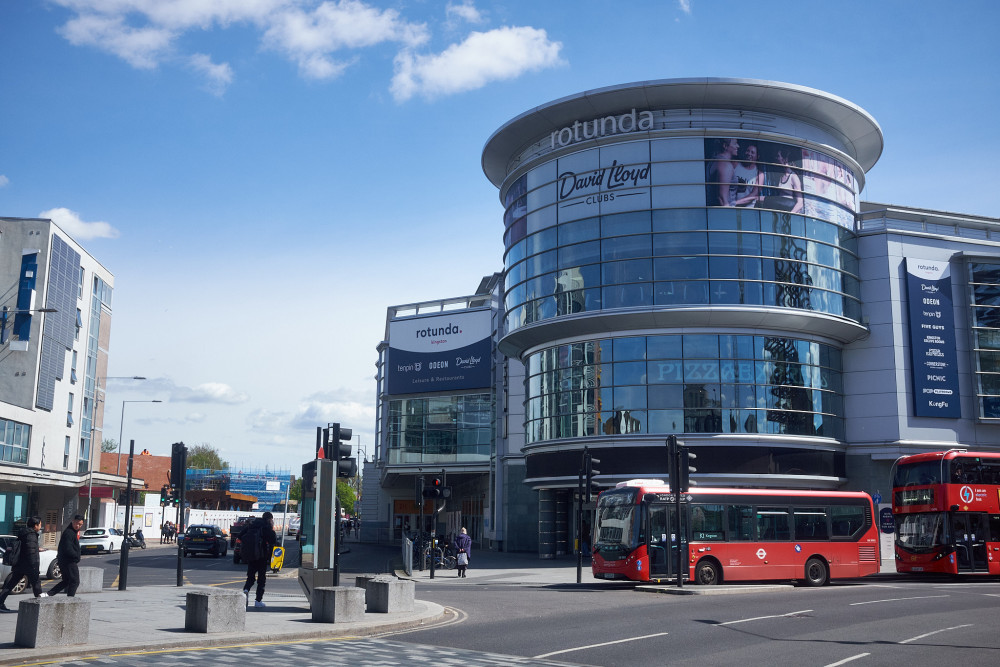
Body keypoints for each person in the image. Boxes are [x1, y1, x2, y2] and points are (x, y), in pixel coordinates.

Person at [0, 517, 45, 611]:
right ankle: (42, 606)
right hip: (29, 565)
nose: (40, 526)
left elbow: (26, 548)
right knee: (36, 584)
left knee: (10, 584)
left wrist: (37, 548)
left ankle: (0, 602)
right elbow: (30, 552)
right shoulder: (31, 535)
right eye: (40, 524)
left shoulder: (24, 533)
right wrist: (34, 567)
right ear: (35, 525)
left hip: (20, 564)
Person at [242, 512, 277, 608]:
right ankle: (258, 601)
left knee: (250, 577)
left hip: (251, 556)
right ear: (270, 519)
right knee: (261, 579)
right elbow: (273, 540)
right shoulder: (266, 527)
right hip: (262, 557)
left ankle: (246, 591)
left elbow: (240, 536)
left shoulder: (252, 525)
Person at [47, 515, 84, 597]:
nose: (78, 526)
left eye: (80, 524)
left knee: (67, 580)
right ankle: (70, 599)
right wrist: (76, 557)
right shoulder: (69, 533)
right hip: (69, 561)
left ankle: (48, 594)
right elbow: (68, 548)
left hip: (64, 560)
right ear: (73, 521)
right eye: (77, 523)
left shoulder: (72, 532)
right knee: (75, 581)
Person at [705, 138, 740, 207]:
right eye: (735, 143)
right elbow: (722, 198)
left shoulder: (714, 161)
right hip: (725, 213)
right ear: (725, 146)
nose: (738, 146)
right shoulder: (725, 165)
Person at [733, 143, 764, 207]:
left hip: (748, 209)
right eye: (748, 151)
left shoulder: (759, 175)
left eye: (752, 152)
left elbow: (754, 195)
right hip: (731, 207)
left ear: (757, 156)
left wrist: (735, 203)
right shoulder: (735, 165)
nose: (749, 154)